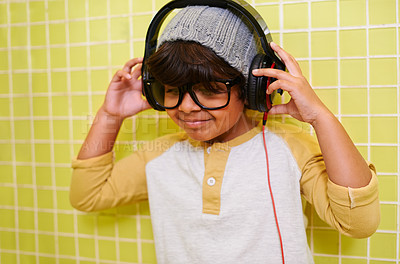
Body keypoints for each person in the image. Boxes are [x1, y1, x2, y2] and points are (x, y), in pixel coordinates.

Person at [70, 4, 380, 264]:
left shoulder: (289, 146)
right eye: (172, 90)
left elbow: (358, 223)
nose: (188, 107)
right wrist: (110, 116)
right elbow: (87, 195)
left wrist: (320, 118)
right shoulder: (159, 154)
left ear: (250, 88)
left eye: (210, 89)